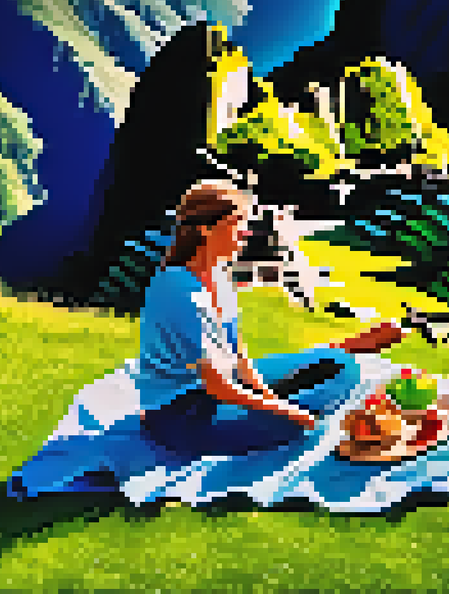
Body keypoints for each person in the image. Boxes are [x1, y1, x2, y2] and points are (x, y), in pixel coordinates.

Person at [135, 180, 407, 456]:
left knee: (343, 367)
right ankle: (161, 427)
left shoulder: (219, 275)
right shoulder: (182, 291)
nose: (247, 232)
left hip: (220, 388)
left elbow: (238, 357)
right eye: (239, 222)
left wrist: (268, 395)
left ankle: (288, 398)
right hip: (182, 415)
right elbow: (218, 386)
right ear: (205, 228)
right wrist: (289, 411)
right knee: (294, 425)